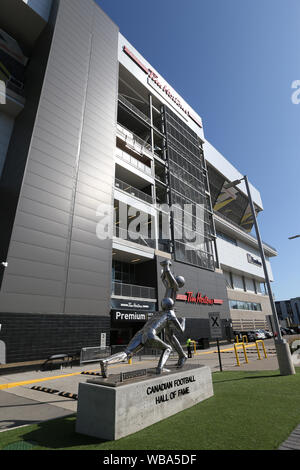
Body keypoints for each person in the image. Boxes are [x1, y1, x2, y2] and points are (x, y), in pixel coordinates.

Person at [99, 260, 187, 378]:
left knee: (128, 352)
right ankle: (162, 367)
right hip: (159, 324)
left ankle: (106, 361)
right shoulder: (168, 300)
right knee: (169, 340)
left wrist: (167, 269)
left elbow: (169, 280)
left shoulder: (174, 288)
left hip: (143, 331)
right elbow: (166, 280)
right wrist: (164, 272)